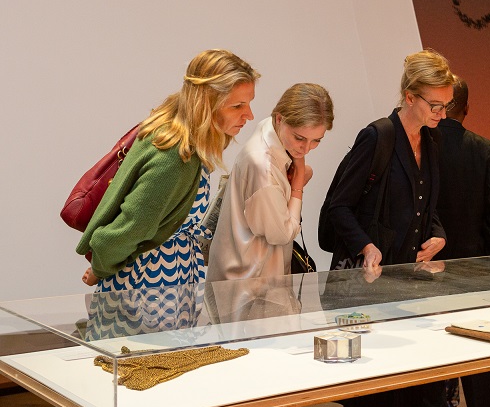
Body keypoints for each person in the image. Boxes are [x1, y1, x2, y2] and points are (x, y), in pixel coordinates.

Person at [327, 49, 455, 407]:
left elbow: (426, 207)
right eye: (435, 105)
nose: (442, 115)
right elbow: (338, 207)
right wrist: (366, 245)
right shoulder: (377, 137)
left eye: (446, 106)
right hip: (367, 288)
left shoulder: (431, 142)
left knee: (386, 397)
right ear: (410, 97)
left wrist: (438, 236)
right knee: (365, 397)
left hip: (406, 288)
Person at [77, 49, 259, 291]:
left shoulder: (181, 139)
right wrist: (101, 269)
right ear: (206, 104)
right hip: (151, 286)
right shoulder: (176, 157)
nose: (249, 115)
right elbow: (127, 230)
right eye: (237, 106)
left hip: (168, 278)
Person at [434, 75, 490, 407]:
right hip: (475, 275)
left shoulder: (418, 148)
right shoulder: (487, 150)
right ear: (466, 108)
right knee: (482, 361)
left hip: (425, 273)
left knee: (430, 361)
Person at [207, 83, 333, 283]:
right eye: (300, 138)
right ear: (280, 118)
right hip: (249, 285)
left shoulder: (270, 130)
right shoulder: (262, 166)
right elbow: (282, 234)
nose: (307, 149)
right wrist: (298, 182)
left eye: (317, 140)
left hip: (252, 278)